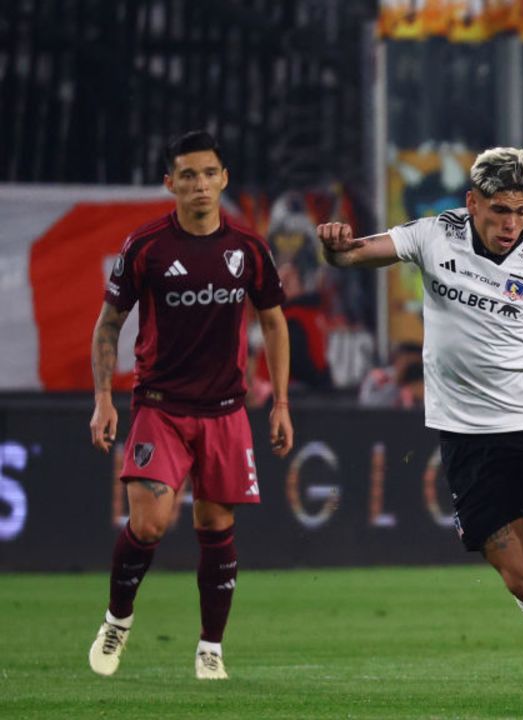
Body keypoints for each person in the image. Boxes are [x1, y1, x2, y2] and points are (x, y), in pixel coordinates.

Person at [316, 148, 523, 709]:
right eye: (498, 210)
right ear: (471, 203)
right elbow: (353, 257)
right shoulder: (434, 235)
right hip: (464, 438)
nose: (511, 223)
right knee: (517, 578)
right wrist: (334, 246)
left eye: (520, 210)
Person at [87, 130, 294, 680]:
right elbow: (109, 324)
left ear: (224, 179)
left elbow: (273, 321)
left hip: (225, 409)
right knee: (150, 524)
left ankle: (210, 650)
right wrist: (103, 398)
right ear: (170, 184)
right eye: (188, 175)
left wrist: (280, 403)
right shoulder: (147, 247)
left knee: (215, 523)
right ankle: (118, 619)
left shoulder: (248, 249)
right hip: (160, 406)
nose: (199, 185)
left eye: (209, 174)